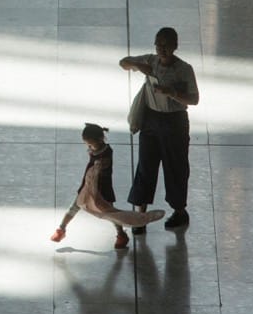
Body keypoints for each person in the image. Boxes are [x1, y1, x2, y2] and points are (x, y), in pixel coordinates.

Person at [120, 27, 200, 231]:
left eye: (166, 45)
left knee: (175, 167)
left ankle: (179, 211)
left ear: (175, 46)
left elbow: (194, 99)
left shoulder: (184, 69)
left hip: (175, 122)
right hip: (151, 120)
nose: (161, 49)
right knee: (146, 166)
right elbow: (123, 62)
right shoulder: (150, 61)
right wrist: (139, 66)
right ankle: (141, 215)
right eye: (158, 44)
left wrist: (171, 93)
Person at [50, 123, 165, 249]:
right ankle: (61, 229)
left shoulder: (106, 152)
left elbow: (103, 166)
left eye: (90, 144)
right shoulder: (94, 149)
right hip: (87, 186)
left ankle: (121, 235)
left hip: (102, 190)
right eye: (87, 144)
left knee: (111, 214)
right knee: (74, 207)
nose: (89, 147)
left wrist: (99, 166)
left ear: (100, 139)